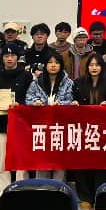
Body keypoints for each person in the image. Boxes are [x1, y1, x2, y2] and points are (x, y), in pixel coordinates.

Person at [71, 52, 106, 209]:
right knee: (82, 163)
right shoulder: (79, 82)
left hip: (104, 129)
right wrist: (74, 103)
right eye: (91, 65)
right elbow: (73, 99)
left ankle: (100, 195)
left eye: (97, 65)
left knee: (102, 164)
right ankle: (85, 197)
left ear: (102, 67)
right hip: (83, 129)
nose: (94, 68)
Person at [0, 44, 31, 201]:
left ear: (17, 58)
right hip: (1, 123)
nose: (9, 59)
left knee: (21, 160)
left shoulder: (26, 76)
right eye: (6, 56)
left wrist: (21, 105)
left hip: (21, 123)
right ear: (2, 58)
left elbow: (30, 97)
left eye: (12, 56)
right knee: (3, 160)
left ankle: (21, 189)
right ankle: (3, 192)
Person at [25, 52, 77, 181]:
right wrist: (35, 102)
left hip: (60, 127)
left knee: (59, 162)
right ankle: (42, 188)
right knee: (42, 162)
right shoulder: (36, 82)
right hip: (42, 127)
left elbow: (72, 101)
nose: (53, 65)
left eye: (56, 63)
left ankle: (59, 189)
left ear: (61, 65)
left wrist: (61, 105)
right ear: (45, 65)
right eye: (50, 62)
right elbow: (28, 99)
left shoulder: (68, 83)